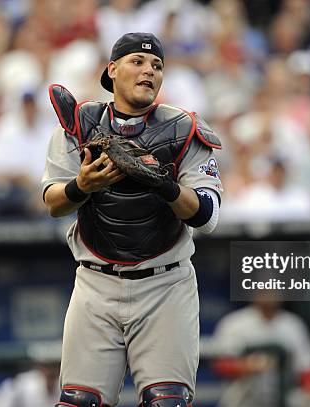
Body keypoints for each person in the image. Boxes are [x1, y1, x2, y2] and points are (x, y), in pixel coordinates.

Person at [42, 32, 223, 407]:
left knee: (166, 402)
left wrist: (165, 186)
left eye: (157, 65)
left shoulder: (183, 127)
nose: (149, 71)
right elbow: (53, 202)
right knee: (80, 402)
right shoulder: (80, 123)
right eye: (137, 62)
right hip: (95, 282)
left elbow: (208, 215)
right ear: (112, 70)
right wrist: (81, 186)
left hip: (165, 283)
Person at [211, 296, 310, 407]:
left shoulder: (293, 324)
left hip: (284, 395)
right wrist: (245, 367)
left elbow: (308, 364)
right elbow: (218, 364)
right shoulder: (234, 323)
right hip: (242, 397)